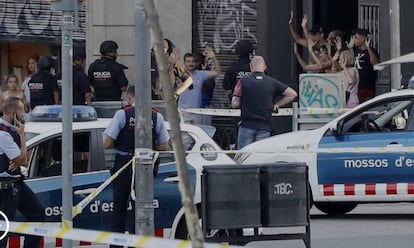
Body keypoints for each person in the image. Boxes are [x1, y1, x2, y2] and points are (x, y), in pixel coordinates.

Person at [103, 86, 169, 245]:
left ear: (130, 98)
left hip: (124, 164)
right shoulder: (156, 116)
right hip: (147, 164)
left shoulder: (122, 114)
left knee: (119, 207)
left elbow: (106, 143)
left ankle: (116, 244)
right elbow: (164, 146)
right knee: (141, 208)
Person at [0, 97, 45, 248]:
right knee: (4, 228)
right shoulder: (3, 133)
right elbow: (23, 158)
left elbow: (23, 160)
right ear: (13, 114)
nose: (24, 115)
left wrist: (19, 157)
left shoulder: (11, 130)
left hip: (16, 182)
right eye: (21, 111)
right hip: (5, 186)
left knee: (37, 213)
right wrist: (22, 136)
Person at [231, 56, 297, 149]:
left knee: (243, 158)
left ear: (251, 66)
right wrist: (276, 105)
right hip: (264, 127)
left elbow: (234, 104)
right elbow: (292, 94)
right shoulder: (272, 82)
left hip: (246, 126)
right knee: (260, 157)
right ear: (265, 67)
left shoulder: (243, 81)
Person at [178, 50, 221, 125]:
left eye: (193, 61)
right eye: (188, 61)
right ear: (184, 63)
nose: (191, 63)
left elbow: (217, 72)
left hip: (196, 111)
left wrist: (213, 57)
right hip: (182, 111)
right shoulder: (179, 74)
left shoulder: (200, 74)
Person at [348, 28, 379, 102]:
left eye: (356, 38)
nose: (354, 40)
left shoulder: (371, 51)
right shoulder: (356, 51)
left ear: (363, 38)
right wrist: (350, 49)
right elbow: (352, 63)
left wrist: (368, 47)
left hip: (366, 86)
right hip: (356, 86)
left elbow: (375, 63)